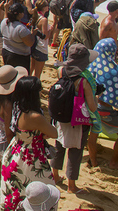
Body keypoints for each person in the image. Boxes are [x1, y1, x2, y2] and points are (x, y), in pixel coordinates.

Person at [0, 76, 58, 211]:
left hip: (14, 152)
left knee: (12, 194)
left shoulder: (15, 107)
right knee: (41, 193)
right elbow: (54, 133)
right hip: (30, 158)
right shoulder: (35, 116)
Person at [50, 44, 98, 194]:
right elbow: (92, 107)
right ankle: (71, 185)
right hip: (77, 120)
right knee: (75, 151)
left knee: (59, 146)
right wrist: (97, 97)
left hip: (60, 116)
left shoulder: (61, 71)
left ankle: (55, 176)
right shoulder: (83, 81)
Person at [0, 65, 27, 189]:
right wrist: (12, 145)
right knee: (2, 170)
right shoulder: (8, 104)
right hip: (3, 139)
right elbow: (8, 129)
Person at [87, 38, 118, 168]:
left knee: (93, 134)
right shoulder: (114, 71)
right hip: (106, 114)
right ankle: (114, 162)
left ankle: (93, 161)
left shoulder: (88, 67)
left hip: (88, 111)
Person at [1, 3, 37, 71]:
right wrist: (33, 34)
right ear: (20, 14)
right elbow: (30, 43)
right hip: (19, 56)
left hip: (6, 51)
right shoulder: (21, 28)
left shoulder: (4, 22)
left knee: (9, 74)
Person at [30, 0, 50, 80]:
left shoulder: (35, 16)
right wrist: (50, 30)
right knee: (37, 74)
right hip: (41, 47)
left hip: (34, 45)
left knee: (30, 69)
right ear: (44, 8)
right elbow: (45, 36)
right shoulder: (44, 19)